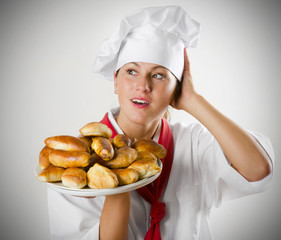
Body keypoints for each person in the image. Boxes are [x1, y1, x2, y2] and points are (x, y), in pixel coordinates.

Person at [47, 6, 274, 240]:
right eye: (131, 71)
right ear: (115, 81)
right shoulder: (74, 164)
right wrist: (116, 180)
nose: (143, 85)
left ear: (176, 89)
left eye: (158, 75)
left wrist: (194, 101)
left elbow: (258, 169)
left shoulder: (192, 144)